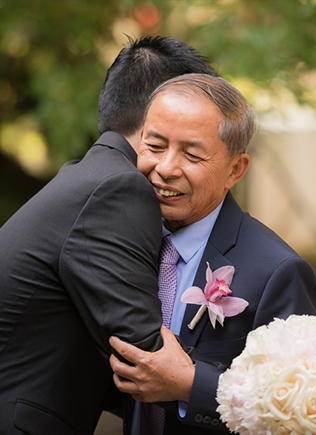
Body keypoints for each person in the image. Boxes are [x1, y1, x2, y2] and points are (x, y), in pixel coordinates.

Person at [0, 36, 214, 434]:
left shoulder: (86, 177)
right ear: (161, 113)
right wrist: (260, 397)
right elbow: (143, 359)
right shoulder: (118, 189)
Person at [107, 73, 316, 434]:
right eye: (155, 146)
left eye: (191, 154)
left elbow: (293, 417)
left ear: (235, 170)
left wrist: (192, 386)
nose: (165, 168)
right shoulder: (122, 239)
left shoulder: (279, 272)